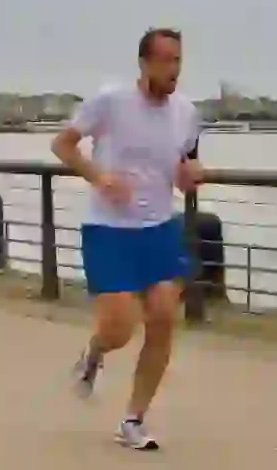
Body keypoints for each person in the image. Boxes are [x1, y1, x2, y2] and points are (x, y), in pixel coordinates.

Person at [50, 28, 204, 451]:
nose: (174, 70)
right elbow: (62, 145)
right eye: (166, 60)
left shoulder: (187, 112)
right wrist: (100, 177)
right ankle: (95, 353)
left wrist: (190, 177)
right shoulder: (111, 101)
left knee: (163, 318)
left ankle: (133, 420)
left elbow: (184, 164)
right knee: (119, 328)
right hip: (110, 230)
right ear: (144, 63)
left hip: (159, 229)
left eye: (178, 61)